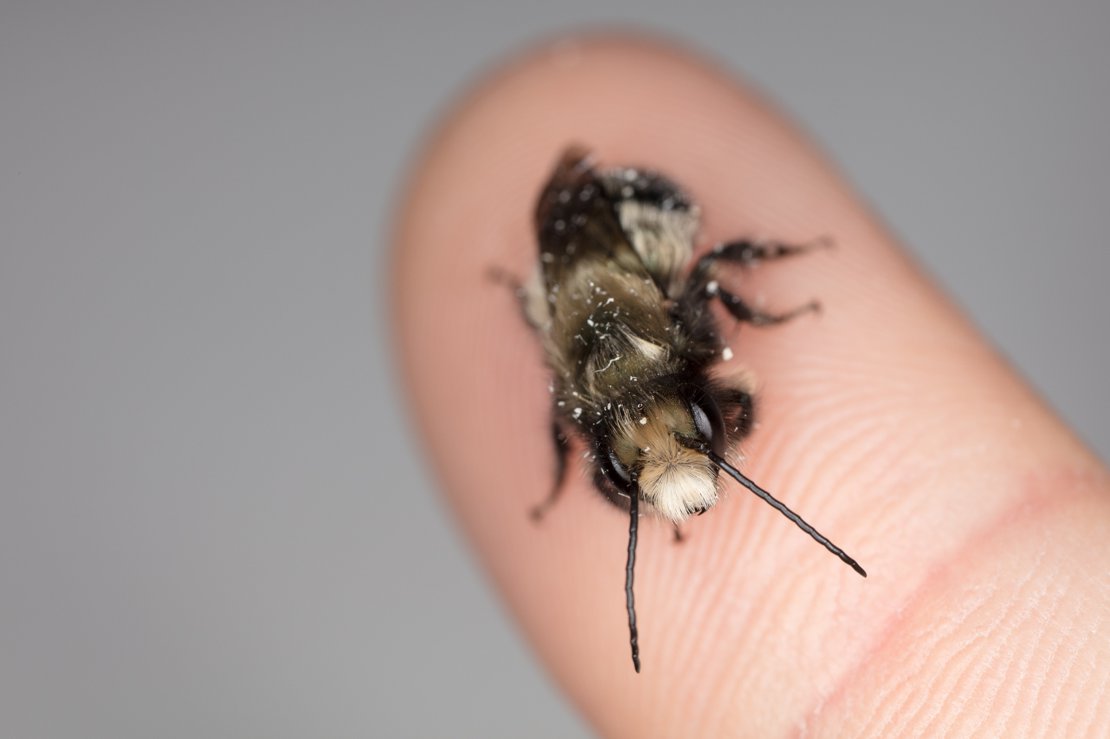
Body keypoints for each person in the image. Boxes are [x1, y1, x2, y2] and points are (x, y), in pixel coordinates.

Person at [392, 36, 1110, 737]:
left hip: (638, 213)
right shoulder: (590, 390)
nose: (672, 452)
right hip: (592, 248)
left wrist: (769, 311)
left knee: (694, 276)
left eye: (637, 460)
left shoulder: (647, 347)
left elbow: (706, 289)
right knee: (584, 312)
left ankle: (760, 274)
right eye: (693, 436)